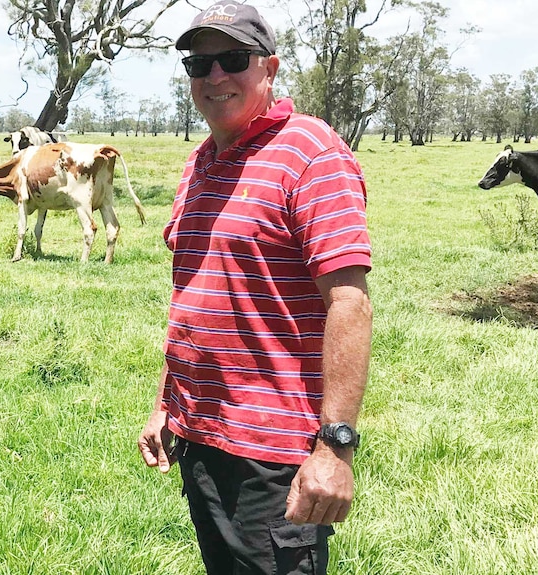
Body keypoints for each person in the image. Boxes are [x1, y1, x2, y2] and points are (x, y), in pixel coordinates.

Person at [137, 3, 373, 574]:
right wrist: (165, 405)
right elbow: (196, 291)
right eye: (200, 64)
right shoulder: (200, 164)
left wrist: (335, 449)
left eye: (233, 60)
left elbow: (349, 302)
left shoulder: (311, 154)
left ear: (268, 68)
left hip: (274, 455)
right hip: (201, 434)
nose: (215, 77)